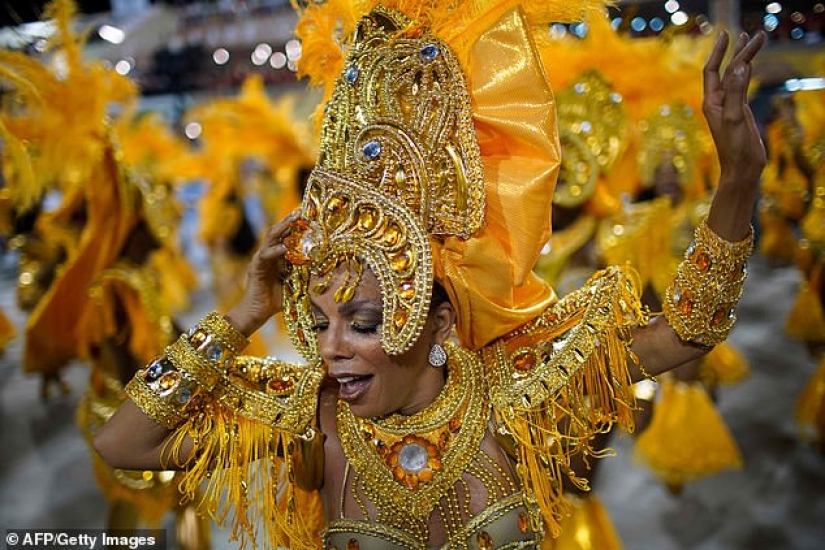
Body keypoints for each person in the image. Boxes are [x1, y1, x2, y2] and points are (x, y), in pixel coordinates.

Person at [94, 1, 767, 547]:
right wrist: (242, 316)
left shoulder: (514, 397)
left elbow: (689, 328)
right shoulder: (311, 422)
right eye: (319, 321)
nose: (329, 349)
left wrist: (738, 177)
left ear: (437, 320)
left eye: (361, 323)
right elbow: (123, 441)